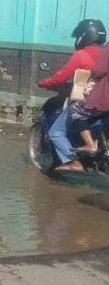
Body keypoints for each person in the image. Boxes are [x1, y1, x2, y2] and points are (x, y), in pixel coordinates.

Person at [39, 19, 105, 172]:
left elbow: (61, 77)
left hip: (88, 100)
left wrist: (45, 83)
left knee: (56, 132)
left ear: (84, 36)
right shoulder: (105, 54)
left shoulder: (81, 55)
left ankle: (73, 161)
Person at [65, 24, 109, 170]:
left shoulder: (81, 54)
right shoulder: (101, 48)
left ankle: (90, 144)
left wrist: (93, 76)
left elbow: (99, 70)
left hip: (104, 95)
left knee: (75, 110)